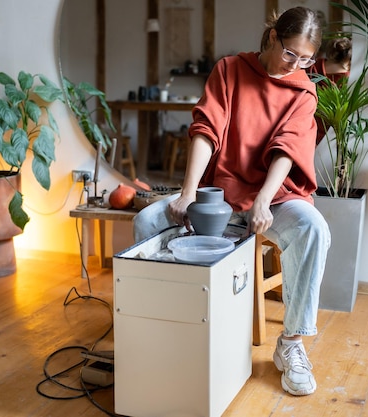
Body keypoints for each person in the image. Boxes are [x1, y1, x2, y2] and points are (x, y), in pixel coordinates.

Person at [133, 7, 331, 397]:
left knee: (314, 228)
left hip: (273, 198)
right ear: (273, 37)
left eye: (306, 59)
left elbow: (287, 150)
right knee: (148, 223)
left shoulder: (304, 89)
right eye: (290, 53)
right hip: (218, 193)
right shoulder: (230, 70)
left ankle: (291, 344)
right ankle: (162, 329)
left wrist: (262, 200)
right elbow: (205, 130)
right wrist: (188, 193)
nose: (295, 64)